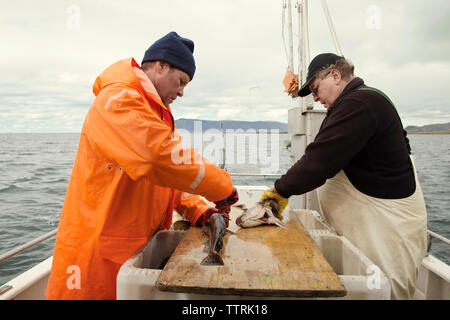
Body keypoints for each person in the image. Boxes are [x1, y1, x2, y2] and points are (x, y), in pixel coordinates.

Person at [45, 32, 238, 300]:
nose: (181, 92)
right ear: (161, 66)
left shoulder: (156, 117)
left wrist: (199, 210)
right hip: (96, 262)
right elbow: (154, 157)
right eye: (180, 82)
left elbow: (168, 180)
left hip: (132, 256)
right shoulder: (117, 101)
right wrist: (221, 187)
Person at [260, 53, 427, 299]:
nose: (315, 99)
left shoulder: (359, 104)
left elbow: (319, 161)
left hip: (386, 231)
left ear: (335, 75)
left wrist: (279, 191)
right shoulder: (367, 101)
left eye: (316, 89)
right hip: (373, 228)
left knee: (385, 292)